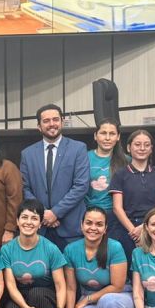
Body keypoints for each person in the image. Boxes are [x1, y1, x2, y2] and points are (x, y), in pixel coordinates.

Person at [0, 200, 68, 308]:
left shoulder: (50, 248)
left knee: (37, 293)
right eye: (24, 217)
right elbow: (11, 286)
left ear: (40, 224)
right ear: (17, 221)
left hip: (45, 296)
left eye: (34, 218)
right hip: (20, 296)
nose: (28, 222)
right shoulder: (7, 249)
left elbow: (60, 285)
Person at [65, 206, 135, 308]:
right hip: (90, 300)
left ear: (105, 228)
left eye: (99, 224)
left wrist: (87, 300)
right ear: (81, 225)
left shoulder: (115, 247)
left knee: (107, 301)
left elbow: (117, 286)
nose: (93, 228)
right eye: (89, 223)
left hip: (120, 298)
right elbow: (70, 288)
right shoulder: (71, 250)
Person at [19, 104, 90, 249]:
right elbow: (25, 188)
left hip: (70, 229)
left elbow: (81, 186)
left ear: (62, 122)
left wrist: (56, 212)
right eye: (46, 121)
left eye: (55, 119)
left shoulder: (78, 149)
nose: (52, 124)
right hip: (40, 228)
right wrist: (44, 213)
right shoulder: (27, 154)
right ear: (39, 126)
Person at [109, 129, 155, 263]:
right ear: (129, 148)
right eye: (137, 144)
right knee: (130, 268)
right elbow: (117, 208)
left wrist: (145, 227)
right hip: (127, 229)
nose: (142, 148)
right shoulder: (120, 174)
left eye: (146, 145)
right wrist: (134, 232)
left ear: (151, 149)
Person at [86, 118, 127, 214]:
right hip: (89, 213)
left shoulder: (126, 160)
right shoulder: (84, 158)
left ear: (118, 137)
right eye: (103, 133)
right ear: (95, 136)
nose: (107, 138)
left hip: (116, 215)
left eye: (112, 134)